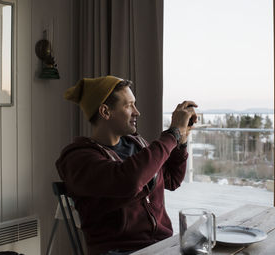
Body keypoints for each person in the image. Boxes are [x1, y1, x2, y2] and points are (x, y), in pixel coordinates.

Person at [56, 75, 197, 255]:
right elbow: (128, 181)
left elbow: (172, 180)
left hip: (161, 245)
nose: (137, 112)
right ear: (105, 112)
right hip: (119, 251)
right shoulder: (78, 158)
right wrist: (172, 134)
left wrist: (181, 140)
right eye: (128, 105)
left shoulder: (138, 145)